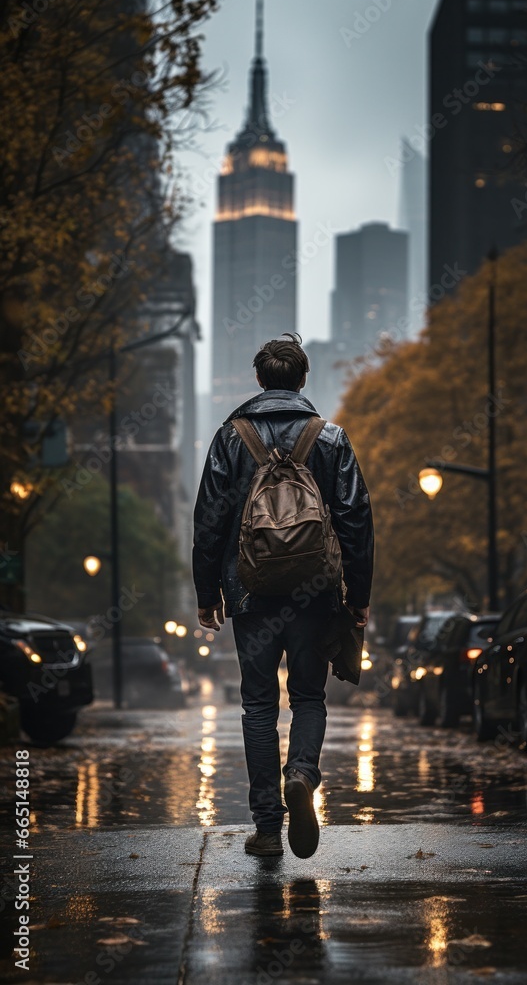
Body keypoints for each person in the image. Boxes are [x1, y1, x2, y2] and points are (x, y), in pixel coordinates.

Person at [193, 333, 374, 859]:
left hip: (250, 593)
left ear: (258, 380)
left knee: (257, 706)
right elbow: (356, 519)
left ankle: (268, 827)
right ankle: (302, 773)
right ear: (302, 379)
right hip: (316, 594)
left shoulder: (230, 438)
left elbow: (210, 518)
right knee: (309, 697)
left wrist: (209, 592)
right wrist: (357, 595)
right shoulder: (331, 438)